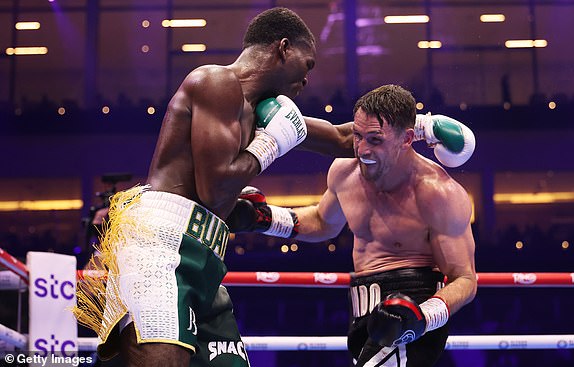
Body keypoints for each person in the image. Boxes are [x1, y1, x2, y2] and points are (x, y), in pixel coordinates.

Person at [73, 7, 354, 367]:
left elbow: (343, 138)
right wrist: (270, 144)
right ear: (283, 48)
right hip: (160, 247)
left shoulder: (264, 112)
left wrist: (420, 127)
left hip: (203, 256)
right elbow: (214, 190)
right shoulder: (215, 82)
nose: (307, 78)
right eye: (308, 63)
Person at [227, 84, 477, 367]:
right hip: (362, 310)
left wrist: (422, 318)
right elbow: (323, 222)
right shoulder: (344, 173)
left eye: (375, 140)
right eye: (358, 136)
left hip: (411, 307)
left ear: (407, 139)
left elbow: (465, 280)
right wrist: (266, 219)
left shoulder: (438, 193)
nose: (362, 150)